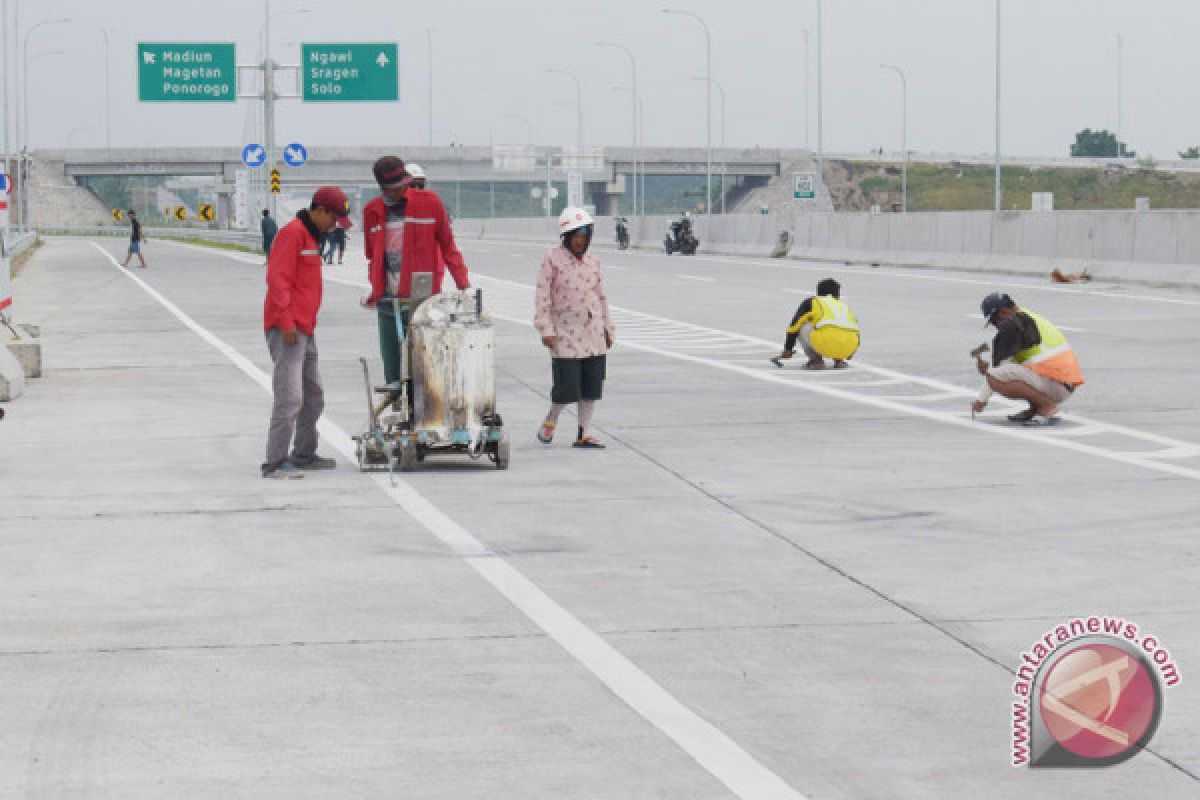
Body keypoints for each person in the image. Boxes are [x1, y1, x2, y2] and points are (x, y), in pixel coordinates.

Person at [261, 186, 350, 479]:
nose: (335, 226)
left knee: (314, 396)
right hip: (287, 329)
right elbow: (277, 280)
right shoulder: (293, 234)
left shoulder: (312, 236)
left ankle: (303, 454)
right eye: (333, 219)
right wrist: (286, 323)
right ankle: (274, 462)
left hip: (305, 328)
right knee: (290, 397)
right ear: (319, 210)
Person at [362, 156, 470, 384]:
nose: (401, 190)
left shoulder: (430, 203)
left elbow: (449, 247)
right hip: (388, 298)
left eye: (404, 184)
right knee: (391, 359)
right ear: (382, 187)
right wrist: (374, 290)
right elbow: (372, 255)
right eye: (394, 188)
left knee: (426, 359)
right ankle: (394, 397)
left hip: (422, 298)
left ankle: (427, 399)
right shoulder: (372, 211)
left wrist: (464, 285)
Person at [534, 207, 615, 449]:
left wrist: (608, 327)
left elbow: (601, 296)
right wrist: (545, 328)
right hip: (565, 333)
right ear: (566, 238)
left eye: (584, 236)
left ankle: (585, 432)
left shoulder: (593, 261)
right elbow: (542, 297)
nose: (580, 242)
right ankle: (552, 418)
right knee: (567, 387)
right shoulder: (552, 259)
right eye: (575, 237)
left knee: (591, 387)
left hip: (593, 333)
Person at [971, 292, 1085, 425]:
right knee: (1011, 371)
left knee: (994, 377)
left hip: (1056, 384)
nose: (995, 325)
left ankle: (1047, 406)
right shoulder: (1026, 317)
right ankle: (1035, 409)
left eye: (993, 320)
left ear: (1002, 312)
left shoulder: (1012, 325)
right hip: (1063, 383)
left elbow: (996, 370)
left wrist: (981, 400)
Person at [771, 278, 860, 369]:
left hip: (826, 343)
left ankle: (816, 360)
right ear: (837, 294)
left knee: (803, 326)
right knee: (841, 327)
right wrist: (850, 352)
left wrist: (788, 349)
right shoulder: (843, 306)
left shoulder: (813, 301)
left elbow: (793, 327)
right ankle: (839, 360)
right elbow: (856, 330)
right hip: (847, 348)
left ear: (818, 292)